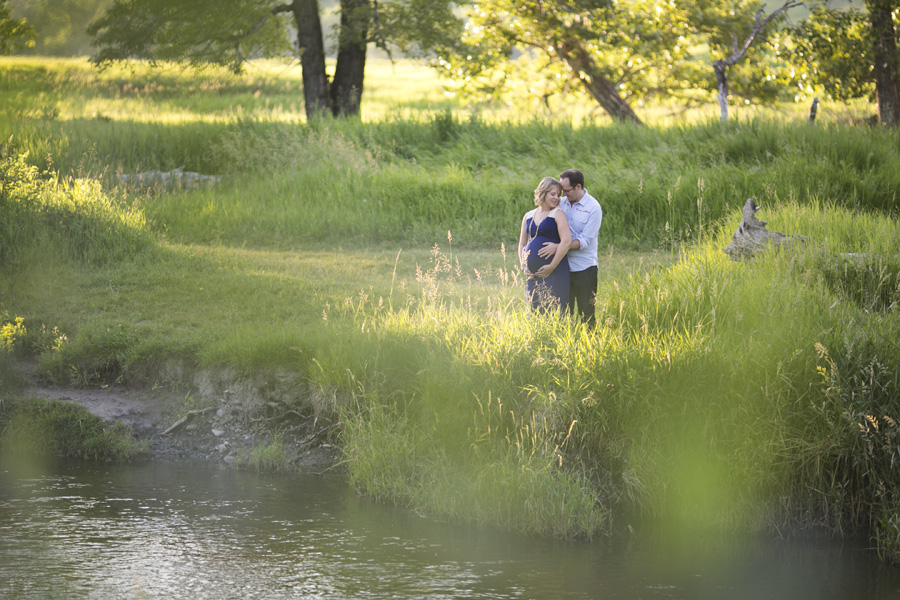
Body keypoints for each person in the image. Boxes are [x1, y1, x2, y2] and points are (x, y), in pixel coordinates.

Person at [537, 169, 602, 327]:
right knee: (564, 311)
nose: (562, 195)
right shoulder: (562, 202)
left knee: (586, 313)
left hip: (584, 267)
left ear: (578, 187)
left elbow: (584, 241)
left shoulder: (593, 208)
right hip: (563, 266)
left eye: (566, 191)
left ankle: (590, 346)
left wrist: (559, 247)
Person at [518, 177, 572, 313]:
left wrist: (551, 266)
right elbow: (522, 244)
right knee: (534, 311)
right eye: (552, 194)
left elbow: (566, 241)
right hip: (532, 275)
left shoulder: (558, 214)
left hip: (554, 271)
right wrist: (524, 266)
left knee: (555, 311)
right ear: (543, 193)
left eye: (558, 195)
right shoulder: (528, 216)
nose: (556, 198)